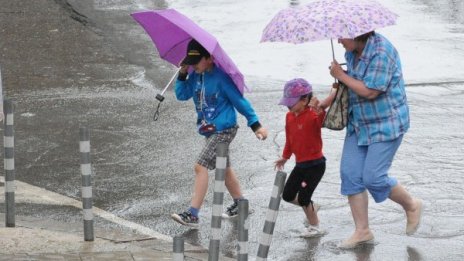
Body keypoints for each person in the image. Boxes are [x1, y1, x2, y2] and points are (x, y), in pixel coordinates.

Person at [329, 31, 423, 249]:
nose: (338, 40)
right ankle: (362, 231)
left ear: (356, 33)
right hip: (359, 124)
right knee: (350, 174)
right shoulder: (354, 51)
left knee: (373, 178)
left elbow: (370, 91)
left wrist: (341, 75)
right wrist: (326, 102)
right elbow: (350, 85)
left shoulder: (381, 51)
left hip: (386, 124)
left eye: (341, 36)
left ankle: (411, 205)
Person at [171, 39, 268, 228]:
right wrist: (183, 73)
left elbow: (240, 101)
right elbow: (181, 95)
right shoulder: (195, 76)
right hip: (209, 131)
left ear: (209, 58)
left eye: (197, 61)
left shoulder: (221, 78)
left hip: (224, 129)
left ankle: (193, 214)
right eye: (190, 61)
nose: (193, 65)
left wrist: (256, 125)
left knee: (200, 166)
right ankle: (241, 204)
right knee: (224, 168)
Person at [274, 78, 335, 237]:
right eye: (286, 102)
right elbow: (290, 139)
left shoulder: (313, 115)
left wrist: (320, 108)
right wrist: (285, 157)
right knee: (287, 195)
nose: (288, 105)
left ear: (305, 99)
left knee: (303, 198)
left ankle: (315, 227)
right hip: (300, 165)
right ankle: (312, 206)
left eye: (291, 102)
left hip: (315, 165)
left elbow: (321, 117)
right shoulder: (289, 117)